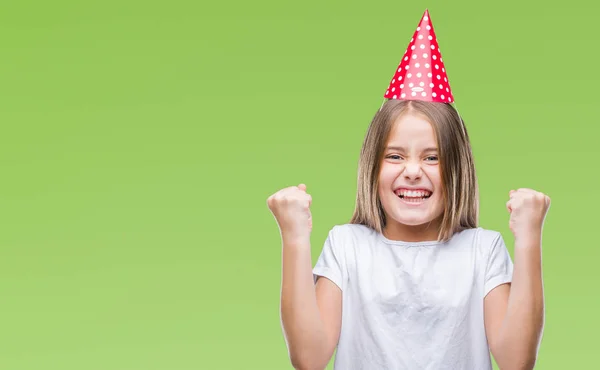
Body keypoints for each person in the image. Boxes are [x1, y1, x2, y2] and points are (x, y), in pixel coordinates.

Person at [267, 9, 550, 370]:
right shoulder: (347, 247)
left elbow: (516, 361)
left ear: (457, 170)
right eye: (395, 156)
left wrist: (529, 238)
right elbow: (308, 357)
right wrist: (294, 236)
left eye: (432, 158)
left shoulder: (482, 251)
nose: (413, 172)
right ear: (373, 167)